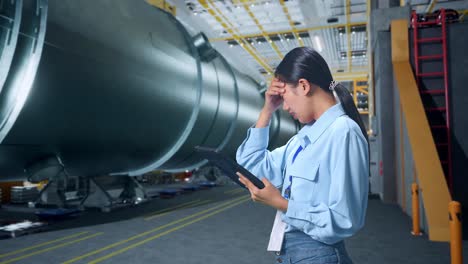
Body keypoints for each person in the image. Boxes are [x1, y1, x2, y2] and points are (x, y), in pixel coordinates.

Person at [236, 47, 369, 264]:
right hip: (292, 253)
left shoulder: (343, 132)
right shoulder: (302, 138)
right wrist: (267, 110)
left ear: (304, 86)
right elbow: (252, 166)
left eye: (285, 97)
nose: (285, 107)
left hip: (318, 254)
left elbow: (345, 219)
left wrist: (282, 203)